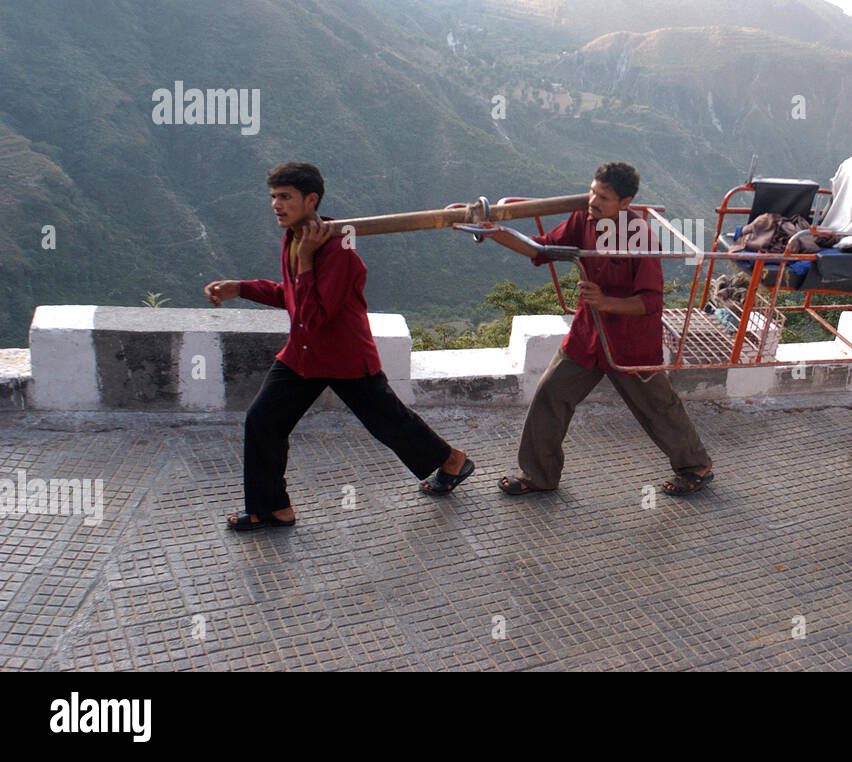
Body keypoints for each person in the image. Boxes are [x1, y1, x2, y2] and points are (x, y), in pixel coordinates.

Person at [205, 162, 473, 532]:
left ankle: (453, 460)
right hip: (302, 355)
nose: (276, 205)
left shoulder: (337, 250)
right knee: (263, 422)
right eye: (273, 197)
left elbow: (316, 314)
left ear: (311, 199)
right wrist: (242, 288)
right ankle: (271, 509)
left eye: (285, 197)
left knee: (389, 423)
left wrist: (306, 260)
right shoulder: (296, 237)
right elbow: (294, 296)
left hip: (344, 357)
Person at [483, 161, 714, 496]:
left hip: (630, 342)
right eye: (592, 191)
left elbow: (650, 302)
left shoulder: (641, 237)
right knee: (551, 395)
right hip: (588, 334)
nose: (592, 201)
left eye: (603, 197)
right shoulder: (583, 219)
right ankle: (539, 476)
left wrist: (606, 302)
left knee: (657, 406)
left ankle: (697, 466)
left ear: (625, 202)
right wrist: (492, 231)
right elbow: (541, 248)